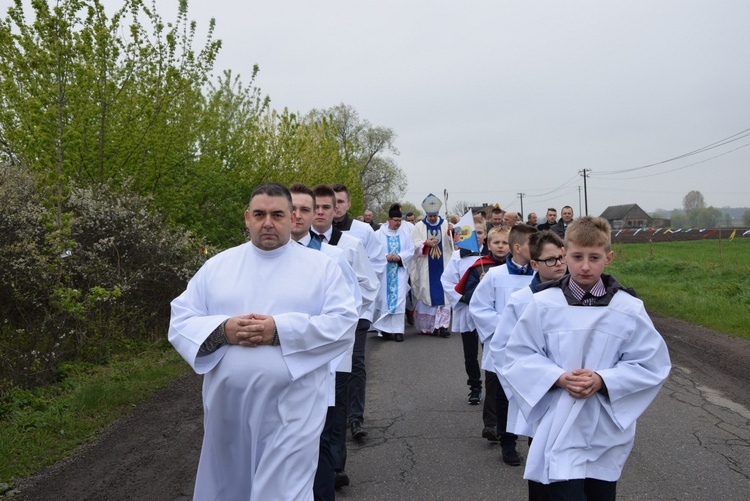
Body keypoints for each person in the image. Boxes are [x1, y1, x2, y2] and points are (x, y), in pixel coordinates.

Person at [168, 183, 358, 500]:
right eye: (259, 214)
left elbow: (343, 323)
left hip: (293, 410)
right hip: (228, 412)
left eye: (276, 214)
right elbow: (181, 320)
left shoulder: (321, 268)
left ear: (292, 217)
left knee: (282, 492)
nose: (267, 222)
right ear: (247, 218)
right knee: (229, 489)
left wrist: (280, 331)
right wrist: (222, 330)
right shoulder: (218, 266)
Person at [502, 216, 671, 500]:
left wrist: (604, 379)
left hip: (603, 427)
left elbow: (651, 363)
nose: (584, 265)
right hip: (557, 421)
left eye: (594, 257)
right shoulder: (543, 304)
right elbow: (518, 355)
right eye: (577, 256)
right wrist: (557, 377)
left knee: (599, 492)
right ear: (565, 255)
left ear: (609, 257)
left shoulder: (627, 309)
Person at [288, 183, 363, 500]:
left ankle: (326, 480)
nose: (299, 216)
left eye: (306, 209)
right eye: (292, 209)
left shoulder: (333, 257)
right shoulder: (254, 258)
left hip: (324, 362)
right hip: (279, 366)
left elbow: (351, 308)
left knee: (319, 434)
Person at [488, 230, 567, 500]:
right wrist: (526, 390)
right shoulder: (522, 300)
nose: (559, 264)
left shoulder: (577, 297)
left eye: (562, 257)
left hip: (573, 393)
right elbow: (502, 349)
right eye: (550, 260)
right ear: (534, 264)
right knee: (542, 466)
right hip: (539, 395)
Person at [311, 184, 380, 490]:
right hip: (308, 337)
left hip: (343, 333)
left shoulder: (348, 245)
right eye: (316, 207)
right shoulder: (295, 246)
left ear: (337, 210)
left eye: (329, 207)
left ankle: (335, 464)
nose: (323, 212)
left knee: (336, 401)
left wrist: (352, 318)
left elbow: (367, 283)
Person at [469, 224, 538, 466]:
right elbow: (479, 307)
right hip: (504, 346)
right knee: (503, 396)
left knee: (533, 395)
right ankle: (508, 443)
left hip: (533, 347)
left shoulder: (541, 276)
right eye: (533, 244)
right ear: (517, 247)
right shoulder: (495, 276)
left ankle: (534, 442)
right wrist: (508, 328)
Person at [330, 184, 385, 443]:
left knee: (356, 362)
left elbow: (375, 263)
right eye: (332, 202)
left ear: (348, 204)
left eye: (340, 201)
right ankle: (330, 415)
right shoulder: (312, 233)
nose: (336, 206)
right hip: (329, 313)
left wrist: (358, 298)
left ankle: (355, 418)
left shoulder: (362, 231)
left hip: (359, 308)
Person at [455, 226, 509, 425]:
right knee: (492, 373)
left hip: (513, 329)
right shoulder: (480, 266)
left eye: (505, 243)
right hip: (488, 325)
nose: (501, 247)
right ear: (488, 244)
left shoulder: (521, 269)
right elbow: (467, 294)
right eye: (497, 243)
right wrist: (481, 285)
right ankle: (492, 423)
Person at [441, 214, 488, 404]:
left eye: (480, 232)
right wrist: (463, 298)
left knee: (491, 350)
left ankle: (494, 386)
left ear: (485, 235)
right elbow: (447, 281)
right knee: (470, 353)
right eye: (471, 233)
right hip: (468, 309)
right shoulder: (457, 257)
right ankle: (475, 387)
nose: (476, 236)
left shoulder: (490, 256)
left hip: (489, 312)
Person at [410, 193, 454, 337]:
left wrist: (452, 232)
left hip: (444, 264)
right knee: (426, 292)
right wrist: (425, 244)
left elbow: (453, 241)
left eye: (435, 216)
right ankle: (429, 327)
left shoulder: (446, 224)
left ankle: (442, 326)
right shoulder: (419, 226)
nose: (433, 218)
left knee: (444, 295)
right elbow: (414, 245)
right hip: (426, 267)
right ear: (426, 214)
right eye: (430, 216)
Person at [372, 204, 415, 342]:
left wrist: (399, 257)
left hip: (399, 272)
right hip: (384, 273)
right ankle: (385, 330)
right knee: (384, 300)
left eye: (400, 221)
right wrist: (385, 256)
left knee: (400, 300)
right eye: (395, 220)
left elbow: (411, 250)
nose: (398, 223)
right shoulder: (378, 234)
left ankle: (398, 331)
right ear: (388, 219)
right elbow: (372, 251)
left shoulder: (405, 235)